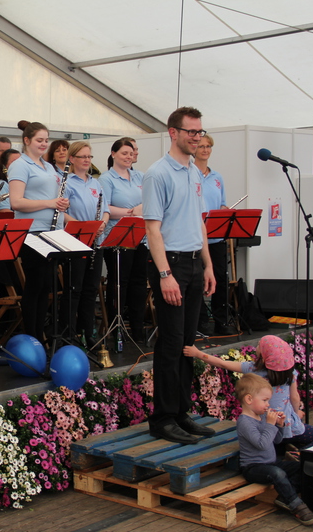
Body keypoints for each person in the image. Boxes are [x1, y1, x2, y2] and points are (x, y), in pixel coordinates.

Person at [142, 106, 216, 444]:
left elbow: (200, 222)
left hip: (193, 262)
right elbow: (153, 229)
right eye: (191, 132)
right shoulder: (158, 173)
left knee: (187, 343)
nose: (197, 137)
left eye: (200, 132)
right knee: (171, 343)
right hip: (169, 262)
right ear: (173, 132)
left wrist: (208, 265)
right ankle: (163, 417)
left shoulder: (194, 172)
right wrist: (164, 274)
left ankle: (182, 412)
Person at [185, 335, 313, 449]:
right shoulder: (290, 374)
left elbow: (222, 364)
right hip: (289, 427)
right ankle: (302, 455)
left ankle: (289, 452)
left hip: (264, 432)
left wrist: (197, 353)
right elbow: (295, 398)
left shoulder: (253, 369)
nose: (257, 346)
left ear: (265, 355)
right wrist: (297, 413)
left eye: (260, 345)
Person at [8, 120, 69, 343]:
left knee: (46, 287)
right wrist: (50, 203)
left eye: (46, 140)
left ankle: (40, 336)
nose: (44, 144)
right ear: (27, 140)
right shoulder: (20, 165)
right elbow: (16, 202)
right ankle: (31, 336)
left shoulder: (48, 166)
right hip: (32, 232)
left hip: (52, 231)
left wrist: (61, 203)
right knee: (35, 285)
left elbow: (50, 197)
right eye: (39, 140)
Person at [234, 373, 313, 525]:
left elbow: (276, 441)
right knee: (277, 473)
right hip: (253, 467)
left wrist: (279, 426)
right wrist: (270, 424)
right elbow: (262, 444)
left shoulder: (261, 417)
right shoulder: (244, 422)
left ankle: (285, 497)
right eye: (265, 400)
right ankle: (297, 506)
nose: (268, 404)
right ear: (249, 399)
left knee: (303, 467)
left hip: (271, 462)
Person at [98, 138, 148, 343]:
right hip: (117, 237)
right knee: (120, 282)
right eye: (124, 153)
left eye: (131, 153)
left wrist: (141, 210)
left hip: (141, 236)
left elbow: (150, 201)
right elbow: (105, 208)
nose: (129, 157)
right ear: (113, 154)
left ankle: (137, 328)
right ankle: (115, 328)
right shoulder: (106, 179)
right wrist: (131, 212)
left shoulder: (140, 176)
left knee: (139, 283)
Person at [62, 141, 110, 344]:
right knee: (74, 289)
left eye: (89, 157)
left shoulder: (95, 183)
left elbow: (105, 210)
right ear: (72, 159)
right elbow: (61, 212)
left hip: (95, 241)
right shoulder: (66, 182)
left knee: (91, 289)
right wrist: (82, 226)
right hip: (75, 241)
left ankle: (87, 333)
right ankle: (68, 334)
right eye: (82, 157)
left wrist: (102, 223)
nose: (87, 160)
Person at [195, 133, 237, 335]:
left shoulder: (217, 177)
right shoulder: (189, 174)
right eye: (201, 146)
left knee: (220, 277)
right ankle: (200, 320)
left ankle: (221, 321)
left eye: (208, 146)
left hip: (216, 237)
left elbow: (222, 202)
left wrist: (224, 210)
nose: (205, 150)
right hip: (195, 238)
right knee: (196, 280)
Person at [0, 148, 20, 214]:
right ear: (4, 166)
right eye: (14, 162)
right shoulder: (1, 185)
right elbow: (5, 212)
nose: (19, 165)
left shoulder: (20, 185)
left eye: (21, 162)